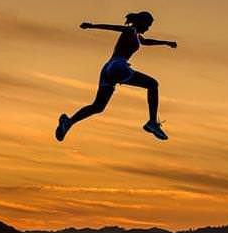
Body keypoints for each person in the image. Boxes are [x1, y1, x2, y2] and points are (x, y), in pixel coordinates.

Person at [55, 11, 177, 141]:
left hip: (108, 68)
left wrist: (166, 42)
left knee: (98, 106)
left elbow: (146, 41)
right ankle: (152, 122)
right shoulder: (131, 30)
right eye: (148, 25)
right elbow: (113, 27)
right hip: (118, 66)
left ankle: (68, 122)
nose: (148, 28)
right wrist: (92, 26)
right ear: (142, 22)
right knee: (152, 84)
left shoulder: (136, 35)